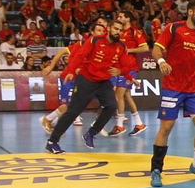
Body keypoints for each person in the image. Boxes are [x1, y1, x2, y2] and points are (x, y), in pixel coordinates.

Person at [148, 0, 195, 188]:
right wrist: (162, 62)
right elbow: (156, 50)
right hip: (173, 87)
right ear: (190, 12)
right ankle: (156, 170)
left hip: (194, 89)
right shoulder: (173, 29)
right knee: (166, 127)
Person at [44, 19, 133, 152]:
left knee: (112, 106)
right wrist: (71, 72)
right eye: (115, 29)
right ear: (108, 28)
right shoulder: (95, 40)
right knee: (73, 111)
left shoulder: (121, 47)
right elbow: (79, 56)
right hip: (86, 80)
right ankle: (52, 142)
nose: (118, 32)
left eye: (120, 30)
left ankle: (91, 133)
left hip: (103, 82)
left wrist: (122, 72)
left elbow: (126, 65)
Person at [105, 11, 149, 137]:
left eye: (121, 16)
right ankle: (139, 124)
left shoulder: (134, 32)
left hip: (130, 67)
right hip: (120, 67)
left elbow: (145, 48)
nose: (118, 18)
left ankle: (119, 125)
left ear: (128, 19)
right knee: (126, 95)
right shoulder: (118, 32)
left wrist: (128, 50)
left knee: (119, 95)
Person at [40, 39, 86, 133]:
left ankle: (53, 124)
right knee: (65, 105)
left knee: (73, 107)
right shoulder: (81, 45)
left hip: (79, 80)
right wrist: (51, 66)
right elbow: (62, 51)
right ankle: (47, 119)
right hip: (68, 78)